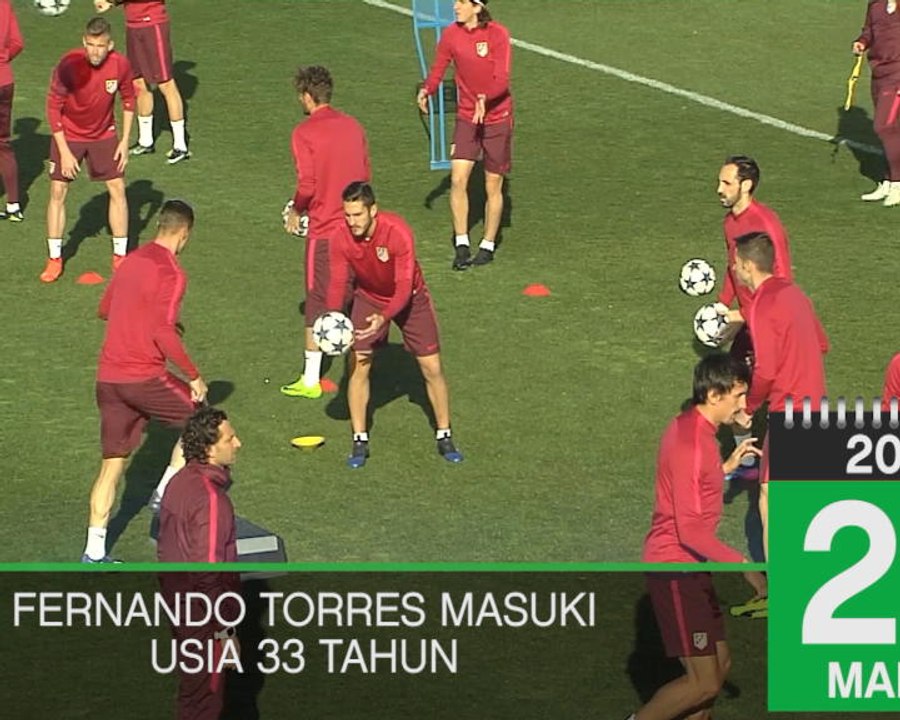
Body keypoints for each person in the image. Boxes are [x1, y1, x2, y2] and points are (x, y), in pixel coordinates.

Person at [633, 354, 767, 720]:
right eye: (738, 396)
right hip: (675, 568)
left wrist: (725, 468)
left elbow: (691, 482)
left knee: (718, 666)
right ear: (713, 394)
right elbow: (690, 530)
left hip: (690, 567)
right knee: (703, 683)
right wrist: (744, 567)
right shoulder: (693, 444)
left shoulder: (692, 428)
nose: (744, 404)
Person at [82, 199, 207, 562]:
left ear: (159, 226)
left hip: (108, 379)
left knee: (111, 465)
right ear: (184, 233)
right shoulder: (172, 272)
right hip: (142, 377)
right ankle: (165, 492)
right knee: (203, 421)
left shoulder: (132, 260)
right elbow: (161, 331)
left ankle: (93, 553)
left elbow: (105, 309)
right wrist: (194, 375)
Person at [327, 181, 463, 468]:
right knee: (359, 363)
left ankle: (444, 433)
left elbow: (403, 286)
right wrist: (331, 316)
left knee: (432, 367)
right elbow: (338, 282)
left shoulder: (398, 232)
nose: (352, 222)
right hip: (369, 298)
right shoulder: (340, 237)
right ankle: (360, 439)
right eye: (347, 215)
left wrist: (384, 316)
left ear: (373, 210)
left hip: (411, 299)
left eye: (357, 215)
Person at [731, 231, 829, 558]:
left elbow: (767, 372)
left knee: (769, 495)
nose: (733, 269)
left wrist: (748, 408)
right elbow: (822, 344)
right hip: (817, 407)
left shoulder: (761, 305)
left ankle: (781, 580)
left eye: (735, 263)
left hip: (790, 413)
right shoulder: (795, 294)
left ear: (748, 265)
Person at [279, 65, 371, 400]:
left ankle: (310, 380)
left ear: (307, 96)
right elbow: (364, 177)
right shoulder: (354, 126)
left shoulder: (304, 133)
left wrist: (296, 209)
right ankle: (361, 369)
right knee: (355, 295)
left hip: (324, 231)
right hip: (357, 228)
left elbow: (308, 184)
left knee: (317, 300)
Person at [158, 405, 242, 720]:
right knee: (206, 700)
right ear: (209, 448)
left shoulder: (178, 483)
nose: (238, 444)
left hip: (180, 606)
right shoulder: (211, 499)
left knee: (192, 695)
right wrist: (224, 631)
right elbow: (208, 570)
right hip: (203, 617)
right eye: (229, 439)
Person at [417, 0, 513, 270]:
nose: (455, 6)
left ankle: (488, 245)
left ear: (477, 7)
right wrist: (427, 89)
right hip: (467, 117)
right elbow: (439, 67)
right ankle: (461, 243)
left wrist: (485, 98)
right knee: (458, 179)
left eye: (461, 2)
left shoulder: (498, 34)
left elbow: (502, 78)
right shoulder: (451, 34)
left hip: (497, 117)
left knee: (492, 185)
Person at [41, 16, 135, 284]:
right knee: (58, 191)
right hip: (69, 135)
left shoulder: (121, 65)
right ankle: (55, 259)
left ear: (110, 45)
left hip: (104, 135)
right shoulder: (68, 65)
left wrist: (125, 141)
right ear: (84, 42)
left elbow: (129, 99)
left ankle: (120, 256)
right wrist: (64, 151)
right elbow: (53, 107)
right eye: (91, 45)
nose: (95, 51)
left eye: (100, 46)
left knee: (117, 188)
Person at [715, 155, 793, 476]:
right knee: (732, 390)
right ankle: (746, 461)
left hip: (770, 326)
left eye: (726, 183)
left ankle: (787, 466)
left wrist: (747, 315)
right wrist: (721, 306)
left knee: (778, 396)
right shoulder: (729, 223)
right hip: (748, 324)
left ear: (746, 185)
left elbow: (783, 281)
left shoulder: (766, 224)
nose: (719, 189)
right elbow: (732, 268)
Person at [94, 0, 191, 163]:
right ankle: (146, 141)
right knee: (137, 82)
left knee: (165, 83)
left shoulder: (192, 79)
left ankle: (180, 146)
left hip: (153, 24)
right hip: (133, 25)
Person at [853, 0, 900, 206]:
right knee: (893, 130)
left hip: (897, 74)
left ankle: (898, 183)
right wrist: (862, 42)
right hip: (879, 73)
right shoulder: (875, 4)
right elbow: (869, 31)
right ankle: (887, 181)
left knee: (884, 127)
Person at [0, 0, 23, 222]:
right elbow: (17, 42)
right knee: (3, 144)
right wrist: (4, 58)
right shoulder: (5, 4)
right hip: (5, 81)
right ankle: (13, 205)